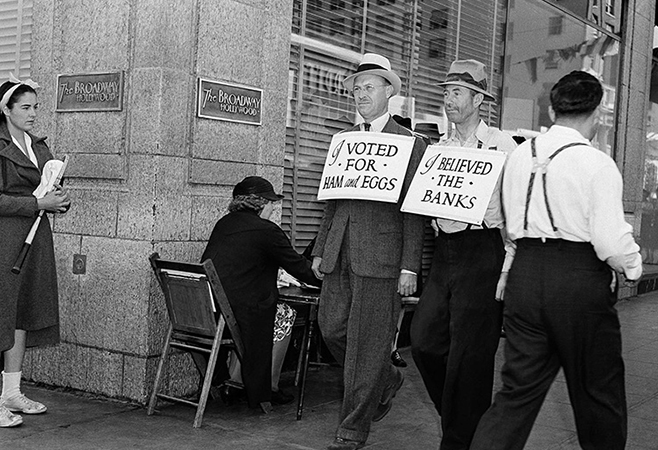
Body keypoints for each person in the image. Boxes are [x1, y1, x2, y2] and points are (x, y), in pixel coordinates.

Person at [470, 70, 642, 450]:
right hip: (579, 281)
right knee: (598, 393)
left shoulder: (517, 157)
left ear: (551, 109)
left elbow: (510, 225)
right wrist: (632, 266)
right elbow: (611, 242)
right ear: (598, 113)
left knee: (515, 395)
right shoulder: (597, 164)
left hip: (526, 276)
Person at [311, 53, 426, 450]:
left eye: (369, 87)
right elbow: (333, 199)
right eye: (357, 88)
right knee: (332, 328)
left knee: (365, 344)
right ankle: (386, 376)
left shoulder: (410, 143)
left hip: (382, 258)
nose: (361, 94)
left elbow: (415, 211)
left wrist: (410, 265)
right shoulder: (343, 140)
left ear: (389, 92)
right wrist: (322, 249)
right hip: (340, 251)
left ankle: (352, 431)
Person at [409, 59, 517, 450]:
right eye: (445, 93)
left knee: (470, 355)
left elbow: (516, 208)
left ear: (477, 100)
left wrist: (508, 264)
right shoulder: (439, 147)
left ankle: (458, 440)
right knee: (423, 340)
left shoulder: (501, 145)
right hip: (444, 250)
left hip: (482, 249)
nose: (448, 100)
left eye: (456, 93)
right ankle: (460, 416)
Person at [200, 176, 318, 413]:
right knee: (285, 313)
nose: (274, 208)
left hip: (208, 311)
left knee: (266, 309)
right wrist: (330, 279)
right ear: (260, 203)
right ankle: (267, 388)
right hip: (238, 315)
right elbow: (300, 267)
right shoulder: (267, 231)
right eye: (272, 203)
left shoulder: (225, 223)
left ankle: (235, 381)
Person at [0, 76, 71, 428]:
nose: (32, 114)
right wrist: (36, 202)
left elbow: (47, 188)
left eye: (35, 107)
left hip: (35, 237)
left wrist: (58, 201)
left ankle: (11, 391)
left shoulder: (38, 145)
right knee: (1, 313)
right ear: (6, 110)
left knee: (21, 312)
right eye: (25, 107)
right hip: (5, 239)